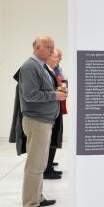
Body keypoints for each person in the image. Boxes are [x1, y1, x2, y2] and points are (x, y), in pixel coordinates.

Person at [17, 36, 66, 207]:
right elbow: (30, 95)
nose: (52, 52)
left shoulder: (41, 66)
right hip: (36, 121)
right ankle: (30, 204)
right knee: (35, 164)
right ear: (37, 47)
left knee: (40, 163)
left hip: (44, 121)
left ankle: (38, 196)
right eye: (49, 48)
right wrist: (54, 96)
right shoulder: (30, 66)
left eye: (52, 48)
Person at [43, 49, 65, 179]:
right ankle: (47, 168)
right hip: (48, 112)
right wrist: (59, 91)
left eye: (59, 57)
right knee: (50, 140)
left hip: (55, 109)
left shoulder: (53, 70)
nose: (59, 59)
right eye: (57, 57)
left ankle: (49, 165)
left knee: (54, 139)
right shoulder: (45, 71)